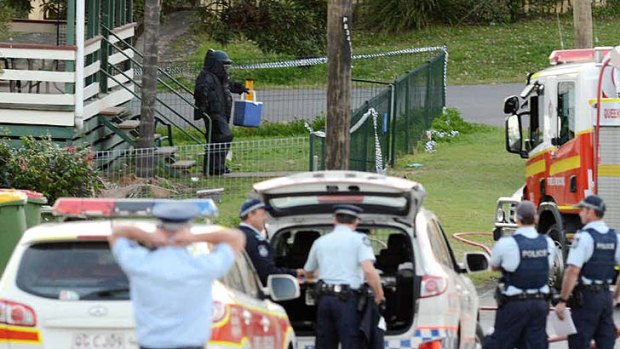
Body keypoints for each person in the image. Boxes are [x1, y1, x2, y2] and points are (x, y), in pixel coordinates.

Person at [108, 201, 245, 349]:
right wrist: (195, 237)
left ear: (159, 226)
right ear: (188, 228)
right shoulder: (202, 267)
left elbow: (116, 233)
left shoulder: (140, 263)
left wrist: (148, 236)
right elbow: (237, 238)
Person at [303, 204, 385, 349]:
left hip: (324, 300)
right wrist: (379, 294)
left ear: (334, 220)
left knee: (324, 343)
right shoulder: (360, 239)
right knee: (351, 342)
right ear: (356, 222)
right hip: (347, 301)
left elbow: (308, 271)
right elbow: (369, 271)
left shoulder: (320, 242)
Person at [483, 200, 555, 349]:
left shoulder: (507, 243)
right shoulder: (548, 243)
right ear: (536, 219)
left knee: (498, 343)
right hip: (540, 305)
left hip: (515, 304)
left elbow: (494, 265)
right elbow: (547, 265)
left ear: (517, 219)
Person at [554, 195, 620, 349]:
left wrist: (563, 300)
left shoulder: (584, 237)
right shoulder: (614, 237)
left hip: (587, 299)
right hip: (605, 297)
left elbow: (572, 271)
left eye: (582, 210)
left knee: (579, 341)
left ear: (591, 212)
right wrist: (615, 297)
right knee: (605, 342)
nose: (579, 213)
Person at [193, 49, 248, 176]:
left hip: (220, 112)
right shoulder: (206, 76)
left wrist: (240, 88)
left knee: (217, 140)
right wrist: (203, 105)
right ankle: (216, 167)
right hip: (213, 113)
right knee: (224, 136)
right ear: (216, 64)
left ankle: (215, 167)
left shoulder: (218, 77)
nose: (226, 69)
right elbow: (200, 91)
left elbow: (228, 85)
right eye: (224, 65)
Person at [237, 198, 304, 285]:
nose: (265, 218)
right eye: (263, 214)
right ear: (251, 214)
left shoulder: (238, 234)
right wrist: (295, 273)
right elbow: (267, 272)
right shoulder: (253, 238)